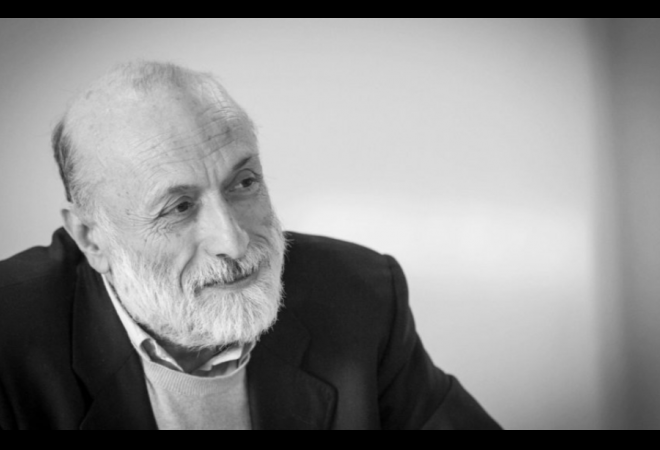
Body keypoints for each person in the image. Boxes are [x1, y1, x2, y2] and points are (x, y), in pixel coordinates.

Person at [0, 61, 500, 430]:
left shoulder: (360, 294)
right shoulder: (9, 338)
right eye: (179, 207)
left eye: (243, 183)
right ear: (92, 239)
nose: (234, 241)